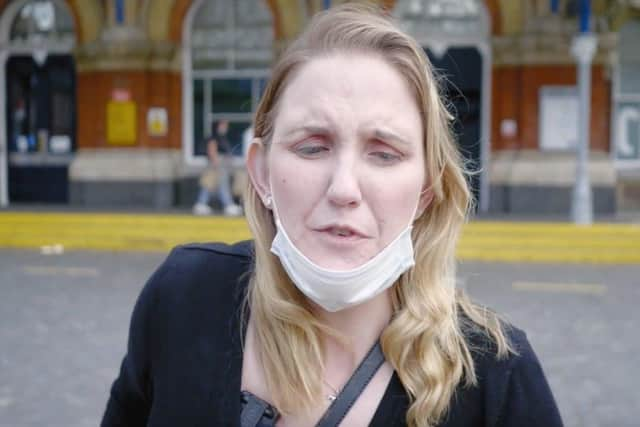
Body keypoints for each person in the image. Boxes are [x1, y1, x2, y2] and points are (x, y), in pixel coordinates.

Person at [102, 4, 563, 427]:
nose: (344, 189)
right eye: (312, 147)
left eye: (383, 154)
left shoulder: (497, 381)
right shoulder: (184, 300)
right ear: (261, 173)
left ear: (428, 189)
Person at [193, 119, 243, 216]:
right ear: (218, 126)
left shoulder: (222, 138)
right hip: (216, 165)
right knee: (217, 184)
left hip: (221, 165)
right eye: (223, 125)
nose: (225, 128)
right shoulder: (214, 138)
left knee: (210, 185)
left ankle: (201, 203)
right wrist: (217, 164)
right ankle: (228, 204)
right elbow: (212, 151)